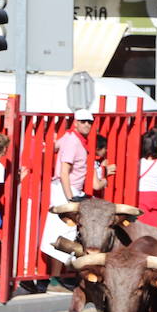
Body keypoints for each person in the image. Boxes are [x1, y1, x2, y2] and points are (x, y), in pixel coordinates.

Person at [40, 109, 94, 289]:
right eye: (84, 121)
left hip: (67, 190)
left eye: (90, 122)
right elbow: (64, 172)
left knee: (64, 232)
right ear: (76, 122)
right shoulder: (73, 141)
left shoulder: (70, 137)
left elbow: (53, 146)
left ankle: (58, 276)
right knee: (64, 232)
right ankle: (56, 278)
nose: (87, 124)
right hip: (67, 190)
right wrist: (70, 197)